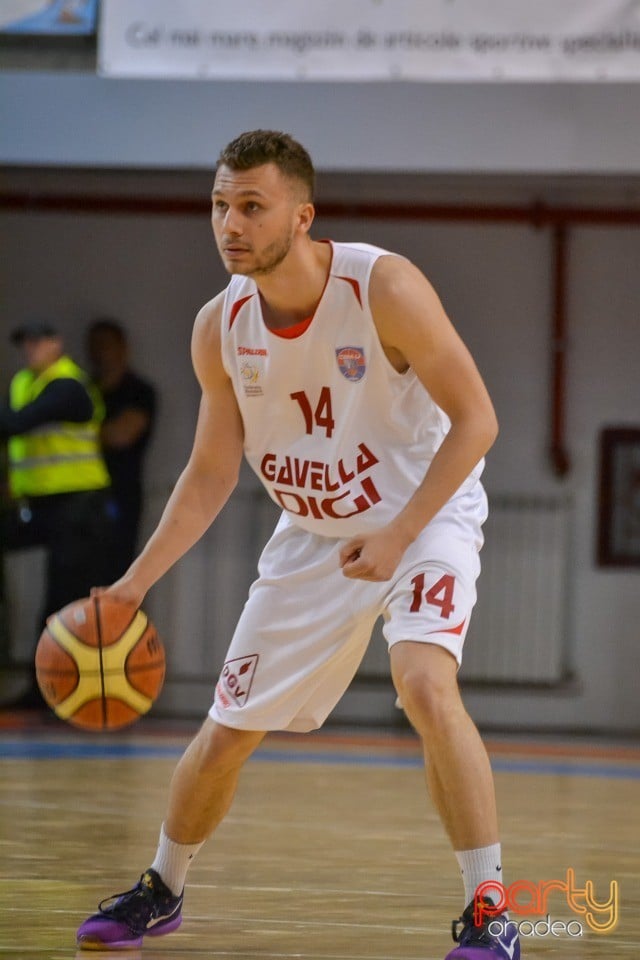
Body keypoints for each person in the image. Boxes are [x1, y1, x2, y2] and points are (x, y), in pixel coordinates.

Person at [75, 130, 519, 960]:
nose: (229, 224)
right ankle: (162, 889)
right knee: (227, 730)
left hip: (425, 514)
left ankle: (490, 908)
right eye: (219, 205)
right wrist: (132, 586)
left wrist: (399, 533)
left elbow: (479, 420)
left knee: (425, 686)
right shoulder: (220, 327)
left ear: (302, 215)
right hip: (315, 534)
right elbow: (208, 476)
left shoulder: (383, 286)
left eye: (251, 206)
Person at [0, 322, 116, 707]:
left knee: (60, 603)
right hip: (41, 508)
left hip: (79, 507)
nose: (31, 349)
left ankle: (53, 693)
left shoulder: (69, 386)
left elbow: (17, 423)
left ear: (57, 344)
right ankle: (46, 689)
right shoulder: (22, 384)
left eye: (38, 341)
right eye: (25, 342)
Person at [86, 318, 157, 577]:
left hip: (120, 493)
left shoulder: (138, 391)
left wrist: (79, 435)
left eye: (105, 344)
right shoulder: (85, 390)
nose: (98, 352)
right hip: (82, 497)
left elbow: (121, 435)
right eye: (93, 346)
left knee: (115, 573)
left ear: (122, 347)